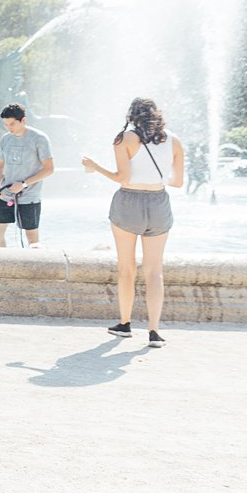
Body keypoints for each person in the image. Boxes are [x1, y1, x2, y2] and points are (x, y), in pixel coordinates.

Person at [81, 97, 185, 348]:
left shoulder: (124, 138)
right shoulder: (174, 140)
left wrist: (95, 167)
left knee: (127, 268)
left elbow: (122, 178)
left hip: (129, 203)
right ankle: (154, 331)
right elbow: (178, 182)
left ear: (131, 115)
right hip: (159, 203)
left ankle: (125, 324)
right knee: (154, 271)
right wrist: (155, 177)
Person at [0, 103, 55, 247]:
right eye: (6, 124)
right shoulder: (5, 139)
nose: (9, 128)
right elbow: (0, 166)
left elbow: (49, 169)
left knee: (32, 238)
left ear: (23, 120)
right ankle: (0, 265)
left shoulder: (39, 138)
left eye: (12, 124)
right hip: (6, 193)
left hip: (29, 196)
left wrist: (24, 184)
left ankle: (34, 268)